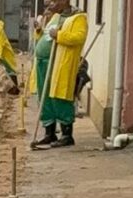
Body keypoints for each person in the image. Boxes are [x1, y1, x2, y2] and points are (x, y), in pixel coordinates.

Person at [32, 0, 88, 148]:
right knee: (44, 97)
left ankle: (66, 135)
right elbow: (45, 35)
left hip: (60, 63)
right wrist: (39, 30)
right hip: (43, 63)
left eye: (52, 0)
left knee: (60, 97)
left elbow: (79, 37)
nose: (49, 4)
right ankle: (49, 133)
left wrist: (60, 35)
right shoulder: (56, 17)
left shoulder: (79, 17)